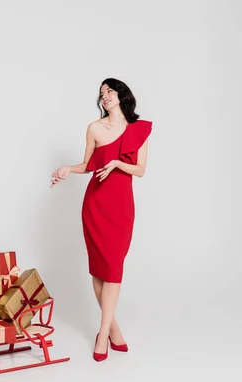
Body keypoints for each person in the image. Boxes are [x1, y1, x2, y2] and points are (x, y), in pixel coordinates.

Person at [50, 78, 152, 362]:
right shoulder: (94, 128)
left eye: (110, 91)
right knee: (99, 269)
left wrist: (118, 163)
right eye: (101, 93)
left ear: (122, 95)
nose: (105, 96)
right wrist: (67, 169)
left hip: (121, 206)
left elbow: (140, 170)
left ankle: (103, 331)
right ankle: (111, 329)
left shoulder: (139, 130)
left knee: (114, 266)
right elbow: (88, 165)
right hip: (95, 203)